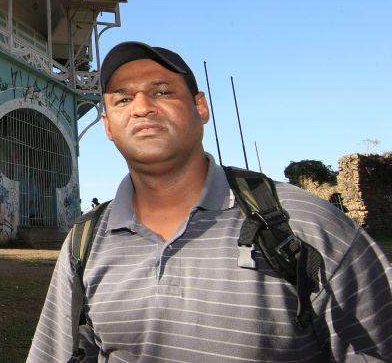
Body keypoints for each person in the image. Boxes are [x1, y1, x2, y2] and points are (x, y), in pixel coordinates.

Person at [27, 41, 392, 362]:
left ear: (200, 107)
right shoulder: (85, 243)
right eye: (123, 99)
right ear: (108, 125)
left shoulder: (306, 226)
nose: (141, 108)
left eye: (162, 92)